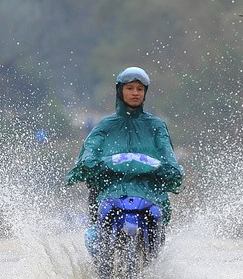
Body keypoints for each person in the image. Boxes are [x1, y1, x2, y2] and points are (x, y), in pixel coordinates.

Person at [66, 66, 184, 242]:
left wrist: (171, 168)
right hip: (110, 189)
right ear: (120, 91)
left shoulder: (156, 125)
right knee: (98, 227)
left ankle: (154, 263)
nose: (135, 93)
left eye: (140, 89)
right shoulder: (106, 125)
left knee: (157, 223)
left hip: (148, 190)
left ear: (145, 92)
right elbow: (90, 148)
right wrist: (89, 161)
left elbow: (167, 152)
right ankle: (100, 260)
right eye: (129, 88)